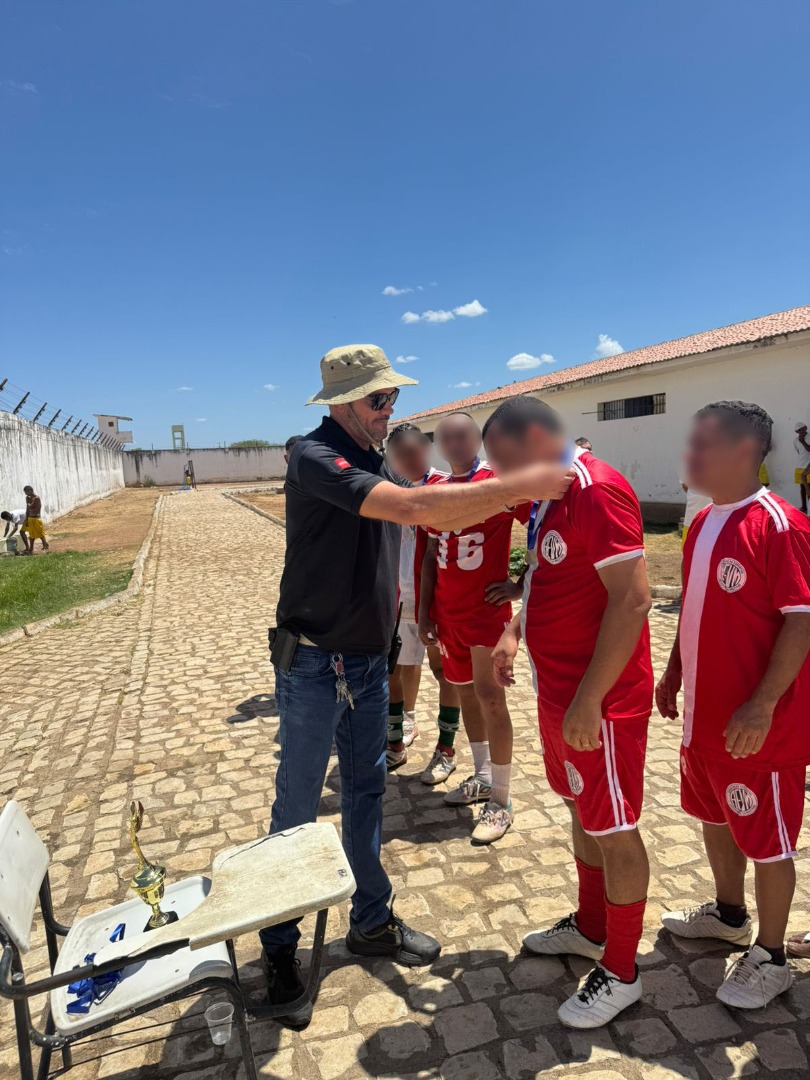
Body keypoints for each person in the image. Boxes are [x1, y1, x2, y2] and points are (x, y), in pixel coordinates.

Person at [258, 344, 573, 1027]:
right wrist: (518, 486)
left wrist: (515, 502)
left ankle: (371, 921)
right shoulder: (316, 458)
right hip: (314, 664)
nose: (391, 409)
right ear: (344, 403)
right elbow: (413, 509)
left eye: (393, 398)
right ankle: (278, 949)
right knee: (297, 806)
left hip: (365, 664)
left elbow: (442, 516)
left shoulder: (374, 459)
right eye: (379, 399)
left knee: (367, 793)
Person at [486, 395, 653, 1029]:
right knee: (582, 809)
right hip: (558, 693)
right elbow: (548, 579)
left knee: (614, 827)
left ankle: (622, 969)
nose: (503, 477)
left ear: (537, 438)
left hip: (599, 702)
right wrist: (515, 632)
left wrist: (589, 699)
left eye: (506, 462)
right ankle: (590, 926)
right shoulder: (550, 495)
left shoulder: (596, 489)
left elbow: (633, 601)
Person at [656, 401, 810, 1009]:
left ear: (745, 451)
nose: (689, 454)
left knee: (768, 840)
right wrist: (674, 671)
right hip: (705, 721)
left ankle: (771, 957)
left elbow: (801, 623)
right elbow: (693, 608)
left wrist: (762, 704)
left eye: (703, 444)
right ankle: (728, 916)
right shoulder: (701, 524)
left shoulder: (780, 526)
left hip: (758, 730)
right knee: (714, 816)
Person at [418, 412, 525, 845]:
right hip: (448, 615)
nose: (455, 443)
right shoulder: (438, 490)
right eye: (446, 437)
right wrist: (425, 613)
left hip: (485, 614)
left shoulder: (498, 483)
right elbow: (431, 554)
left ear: (477, 439)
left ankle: (501, 799)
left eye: (462, 435)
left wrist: (519, 585)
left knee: (490, 697)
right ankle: (481, 776)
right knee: (465, 694)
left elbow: (542, 532)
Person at [384, 424, 461, 779]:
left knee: (445, 672)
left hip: (436, 600)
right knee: (394, 670)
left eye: (413, 451)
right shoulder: (387, 493)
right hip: (397, 599)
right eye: (400, 454)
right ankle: (396, 741)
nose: (408, 459)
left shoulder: (445, 487)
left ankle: (446, 748)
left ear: (426, 450)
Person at [22, 486, 49, 554]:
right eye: (25, 492)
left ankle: (45, 547)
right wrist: (26, 519)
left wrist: (27, 502)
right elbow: (28, 509)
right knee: (31, 535)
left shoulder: (36, 498)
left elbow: (31, 506)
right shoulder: (28, 498)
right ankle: (31, 549)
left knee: (41, 534)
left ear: (31, 490)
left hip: (36, 518)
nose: (25, 493)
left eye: (26, 491)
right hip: (30, 518)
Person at [793, 422, 810, 513]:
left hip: (808, 465)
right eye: (799, 430)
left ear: (806, 428)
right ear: (797, 432)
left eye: (803, 429)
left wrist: (802, 441)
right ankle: (804, 507)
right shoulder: (795, 440)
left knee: (809, 487)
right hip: (800, 466)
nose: (802, 431)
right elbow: (799, 452)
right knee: (802, 487)